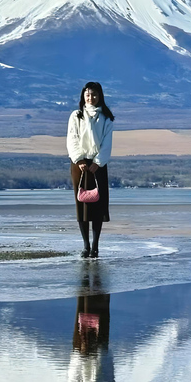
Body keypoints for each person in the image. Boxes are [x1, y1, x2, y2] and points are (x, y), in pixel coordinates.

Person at [66, 82, 114, 258]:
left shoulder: (106, 118)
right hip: (80, 165)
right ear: (83, 96)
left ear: (99, 96)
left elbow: (107, 143)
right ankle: (85, 245)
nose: (90, 98)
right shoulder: (76, 115)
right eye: (87, 94)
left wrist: (98, 162)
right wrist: (78, 159)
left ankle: (95, 246)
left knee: (98, 206)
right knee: (83, 205)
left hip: (98, 165)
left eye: (93, 94)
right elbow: (72, 138)